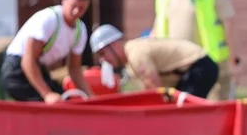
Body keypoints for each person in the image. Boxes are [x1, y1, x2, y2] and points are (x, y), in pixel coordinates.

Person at [151, 0, 238, 100]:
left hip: (211, 64)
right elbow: (158, 27)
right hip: (177, 68)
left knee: (215, 112)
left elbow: (228, 23)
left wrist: (234, 60)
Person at [1, 0, 95, 103]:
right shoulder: (49, 19)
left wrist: (90, 97)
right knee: (53, 105)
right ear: (63, 0)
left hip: (38, 70)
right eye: (74, 6)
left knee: (67, 101)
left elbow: (74, 69)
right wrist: (47, 94)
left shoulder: (80, 30)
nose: (77, 11)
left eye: (82, 8)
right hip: (17, 72)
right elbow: (27, 60)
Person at [88, 24, 219, 99]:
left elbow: (156, 90)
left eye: (102, 53)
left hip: (200, 66)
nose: (102, 59)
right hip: (194, 69)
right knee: (180, 108)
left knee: (184, 109)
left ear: (115, 45)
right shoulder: (131, 60)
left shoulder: (136, 55)